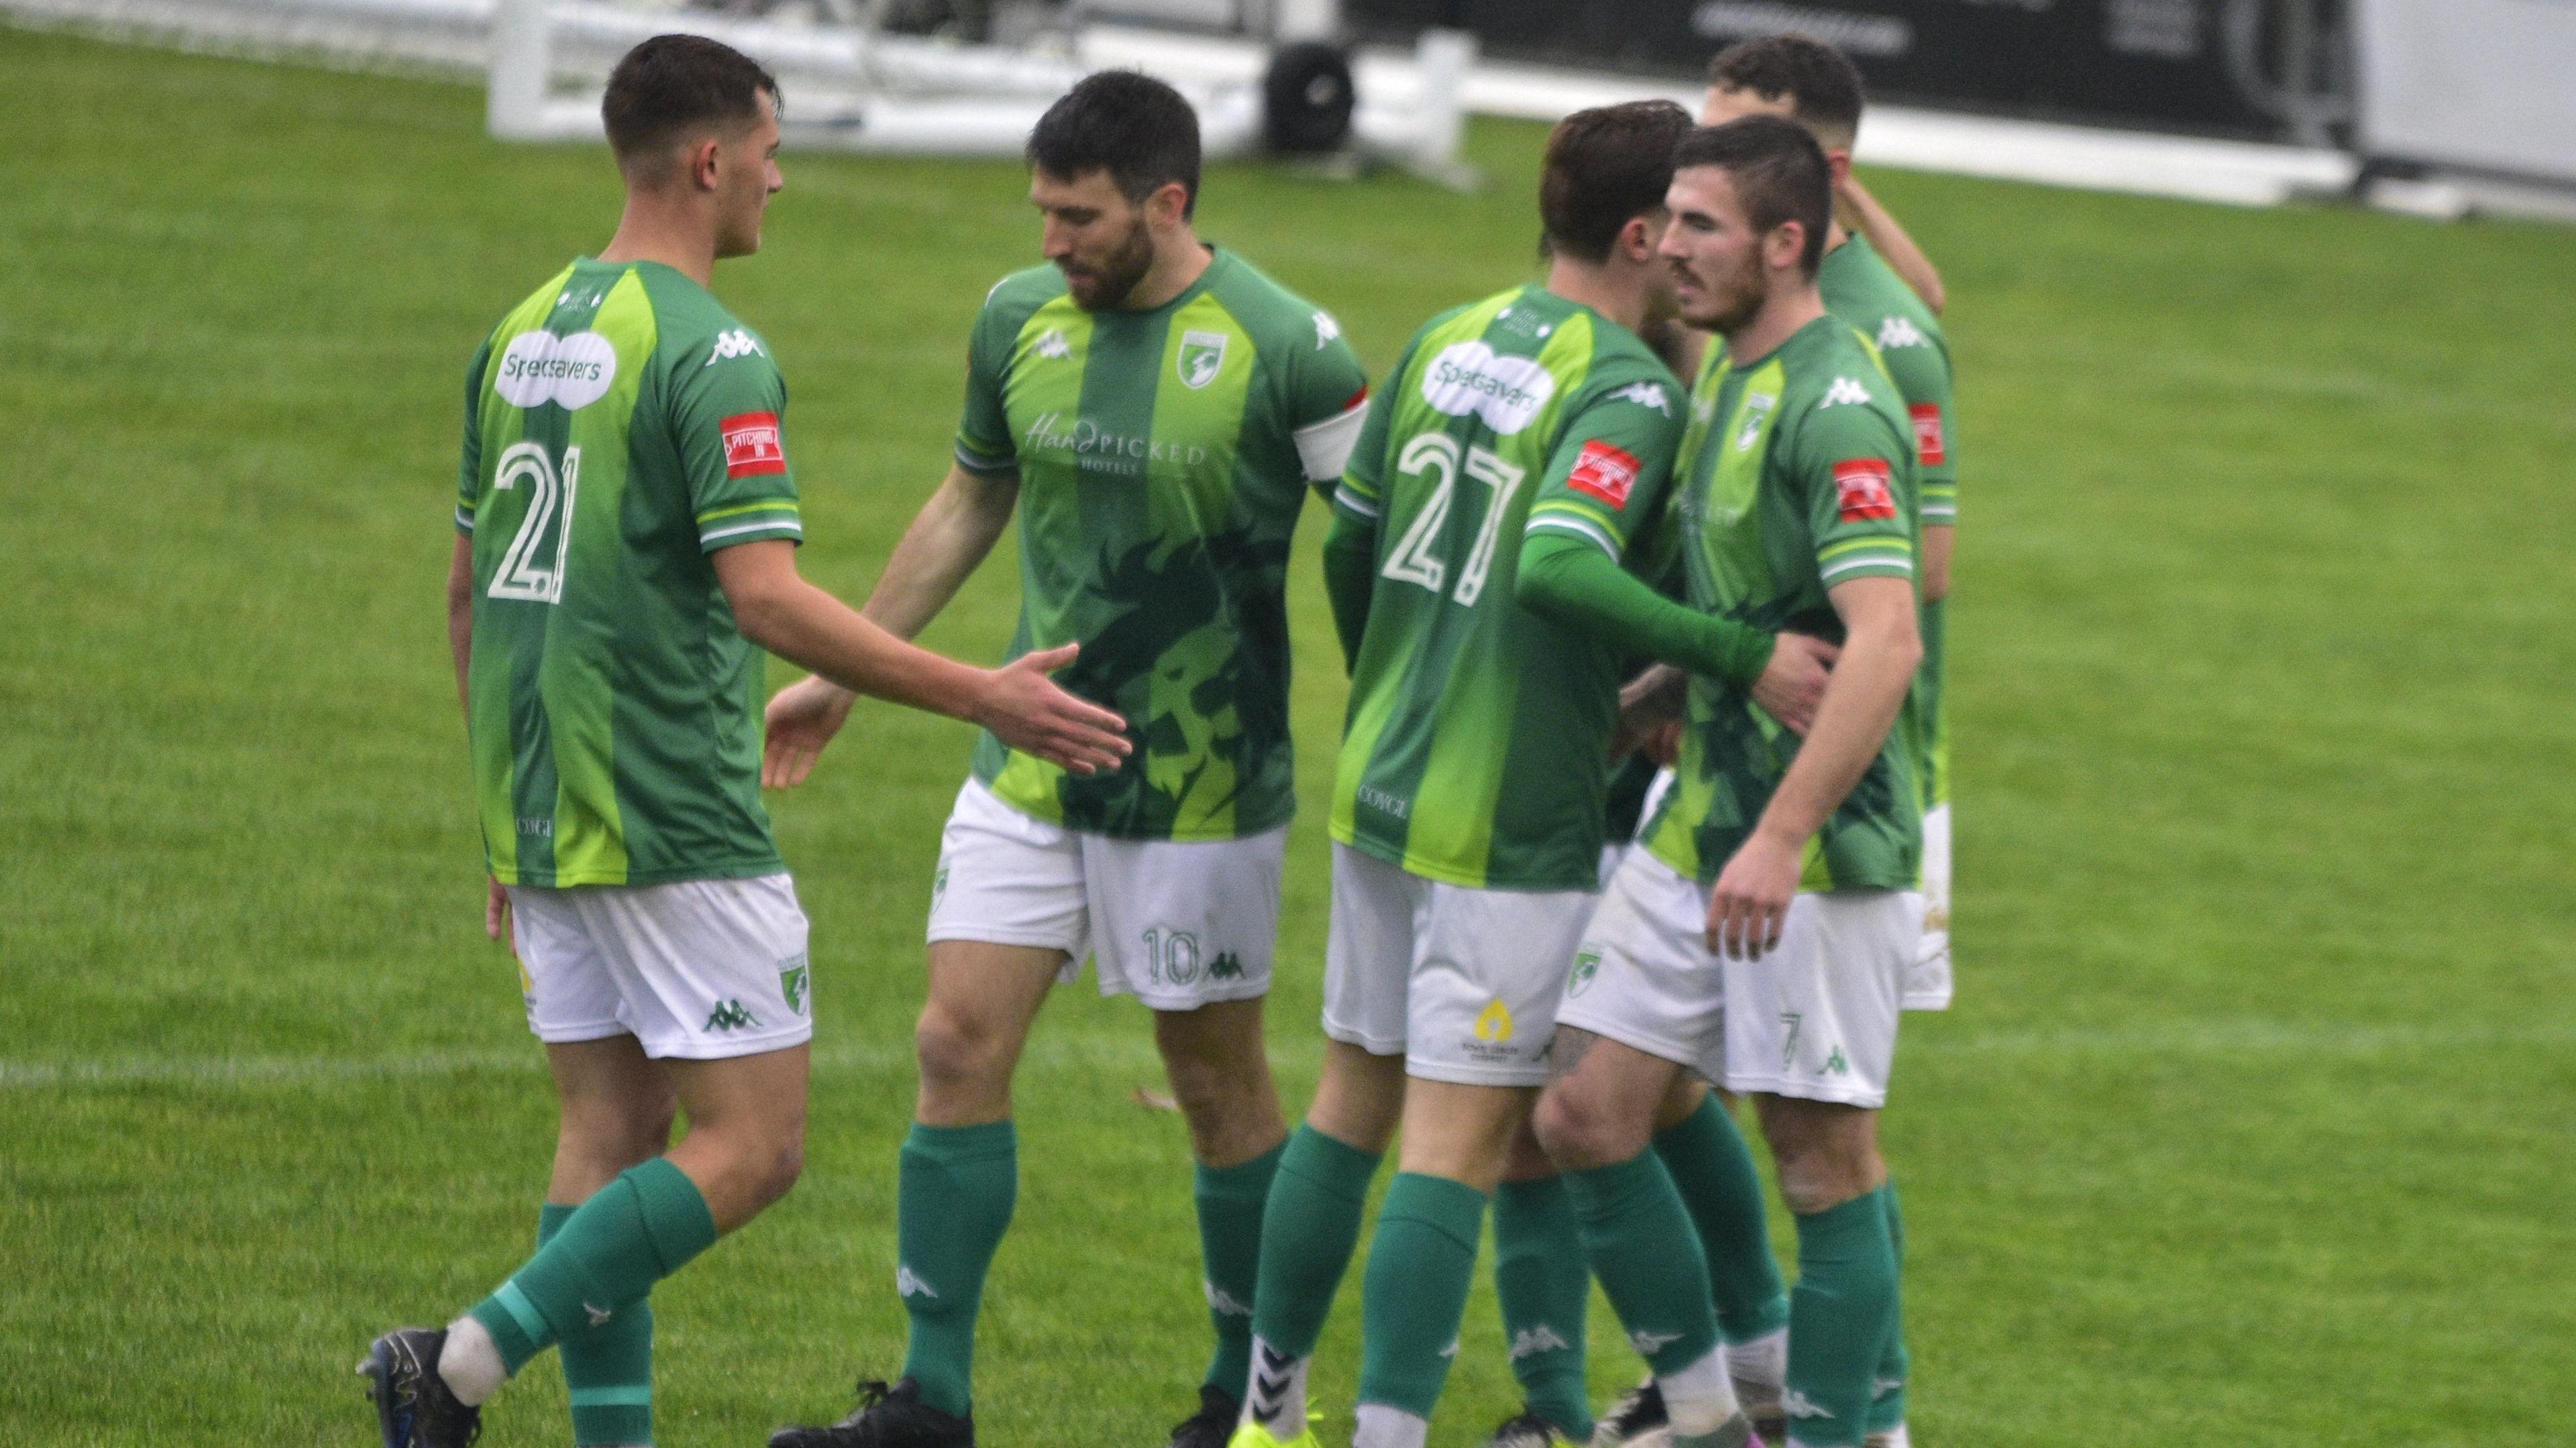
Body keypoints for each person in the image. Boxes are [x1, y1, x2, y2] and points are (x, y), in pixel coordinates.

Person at [358, 35, 1128, 1448]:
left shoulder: (518, 332)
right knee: (754, 1147)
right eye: (772, 149)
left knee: (608, 1139)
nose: (783, 176)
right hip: (668, 810)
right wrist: (979, 692)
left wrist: (500, 812)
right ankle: (462, 1363)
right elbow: (765, 600)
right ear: (712, 161)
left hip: (540, 804)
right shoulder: (712, 354)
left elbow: (471, 591)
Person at [761, 69, 1373, 1448]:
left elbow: (1389, 543)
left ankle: (1245, 1401)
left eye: (1081, 217)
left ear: (1169, 203)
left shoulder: (1289, 346)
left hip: (1205, 789)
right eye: (1041, 211)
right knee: (952, 1043)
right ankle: (932, 1402)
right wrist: (841, 669)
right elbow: (972, 494)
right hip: (1024, 761)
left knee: (1216, 1083)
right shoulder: (1016, 317)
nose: (1053, 242)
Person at [1225, 101, 1837, 1448]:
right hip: (1506, 819)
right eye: (1676, 218)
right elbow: (1560, 566)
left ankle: (1266, 1420)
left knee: (1345, 1111)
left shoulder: (1447, 334)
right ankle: (1430, 1433)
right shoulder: (1626, 390)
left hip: (1380, 774)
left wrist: (1398, 679)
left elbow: (1349, 547)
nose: (1687, 245)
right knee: (1458, 1149)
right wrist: (1735, 651)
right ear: (1636, 229)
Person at [1534, 114, 1925, 1448]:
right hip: (1701, 820)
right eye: (1669, 219)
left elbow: (1888, 639)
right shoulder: (1731, 377)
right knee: (1584, 1111)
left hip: (1809, 858)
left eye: (1700, 224)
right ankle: (1704, 1418)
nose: (1671, 244)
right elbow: (1770, 609)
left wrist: (1785, 833)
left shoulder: (1837, 398)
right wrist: (1663, 691)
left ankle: (1845, 1434)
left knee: (1821, 1163)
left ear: (1786, 242)